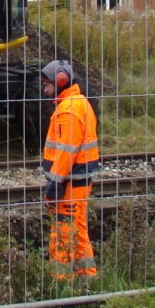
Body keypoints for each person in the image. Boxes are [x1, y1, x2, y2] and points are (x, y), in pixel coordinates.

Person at [40, 59, 100, 281]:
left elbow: (66, 152)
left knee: (62, 233)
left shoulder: (68, 110)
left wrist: (54, 184)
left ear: (61, 81)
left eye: (47, 85)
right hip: (79, 181)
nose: (45, 90)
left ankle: (61, 282)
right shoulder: (79, 102)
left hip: (69, 183)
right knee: (78, 229)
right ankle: (88, 277)